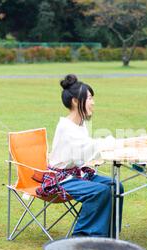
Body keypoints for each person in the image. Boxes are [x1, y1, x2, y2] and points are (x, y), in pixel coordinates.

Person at [36, 74, 124, 237]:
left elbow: (84, 154)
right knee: (99, 191)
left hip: (77, 174)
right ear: (76, 101)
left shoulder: (80, 125)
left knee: (116, 186)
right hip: (60, 178)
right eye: (89, 98)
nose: (93, 102)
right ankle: (83, 237)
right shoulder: (66, 127)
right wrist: (111, 142)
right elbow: (88, 148)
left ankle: (110, 235)